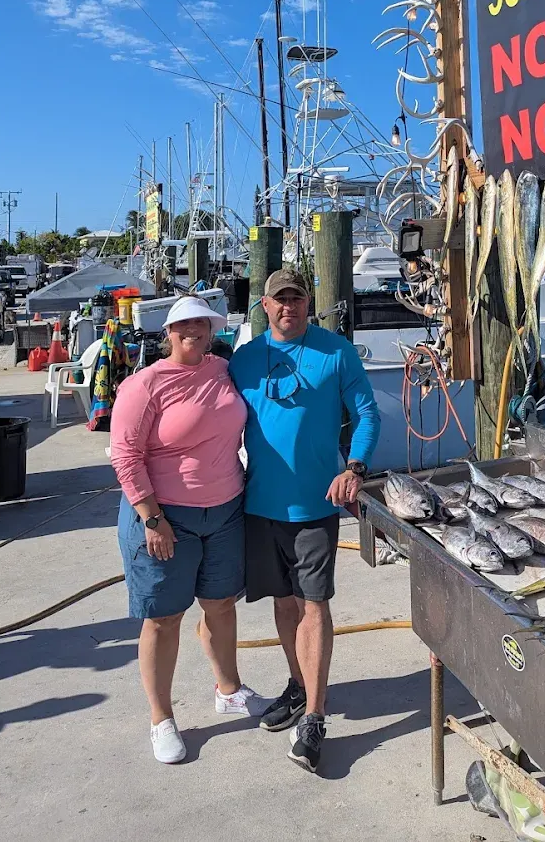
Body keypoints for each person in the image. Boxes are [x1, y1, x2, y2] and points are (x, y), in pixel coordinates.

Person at [228, 268, 380, 773]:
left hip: (316, 505)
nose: (287, 306)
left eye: (296, 298)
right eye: (279, 300)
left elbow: (367, 414)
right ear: (264, 307)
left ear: (308, 303)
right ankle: (297, 684)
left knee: (314, 606)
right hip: (258, 505)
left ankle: (314, 715)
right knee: (283, 603)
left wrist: (354, 469)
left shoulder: (336, 351)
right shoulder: (244, 359)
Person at [110, 296, 257, 765]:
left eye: (201, 323)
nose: (192, 331)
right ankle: (161, 718)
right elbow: (126, 456)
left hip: (226, 509)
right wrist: (151, 518)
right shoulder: (144, 384)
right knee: (163, 618)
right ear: (167, 332)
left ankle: (228, 689)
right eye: (182, 325)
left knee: (220, 606)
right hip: (166, 516)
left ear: (214, 330)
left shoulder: (222, 369)